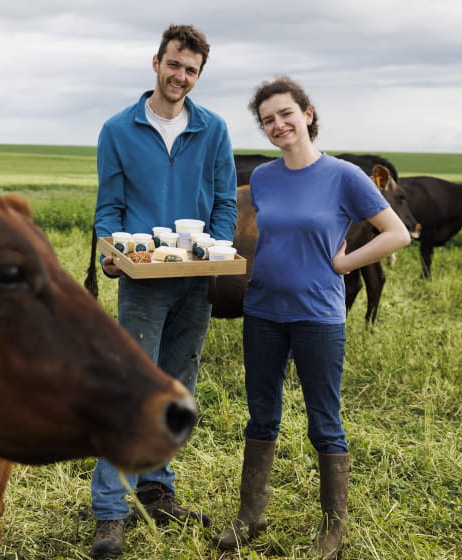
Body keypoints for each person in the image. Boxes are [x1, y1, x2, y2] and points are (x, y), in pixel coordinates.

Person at [214, 76, 410, 559]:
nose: (278, 125)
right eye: (267, 121)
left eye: (285, 114)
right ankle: (250, 514)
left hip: (318, 315)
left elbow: (397, 233)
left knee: (324, 420)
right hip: (261, 310)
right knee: (261, 415)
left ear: (308, 114)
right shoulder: (262, 177)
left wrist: (343, 263)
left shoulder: (344, 176)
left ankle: (332, 527)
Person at [90, 24, 237, 559]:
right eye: (174, 65)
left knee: (178, 390)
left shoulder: (214, 130)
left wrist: (215, 251)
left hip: (196, 284)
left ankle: (157, 490)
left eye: (191, 71)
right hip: (142, 282)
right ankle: (109, 510)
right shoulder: (117, 129)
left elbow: (224, 204)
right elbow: (109, 207)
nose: (181, 77)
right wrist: (112, 253)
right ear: (156, 62)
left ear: (199, 75)